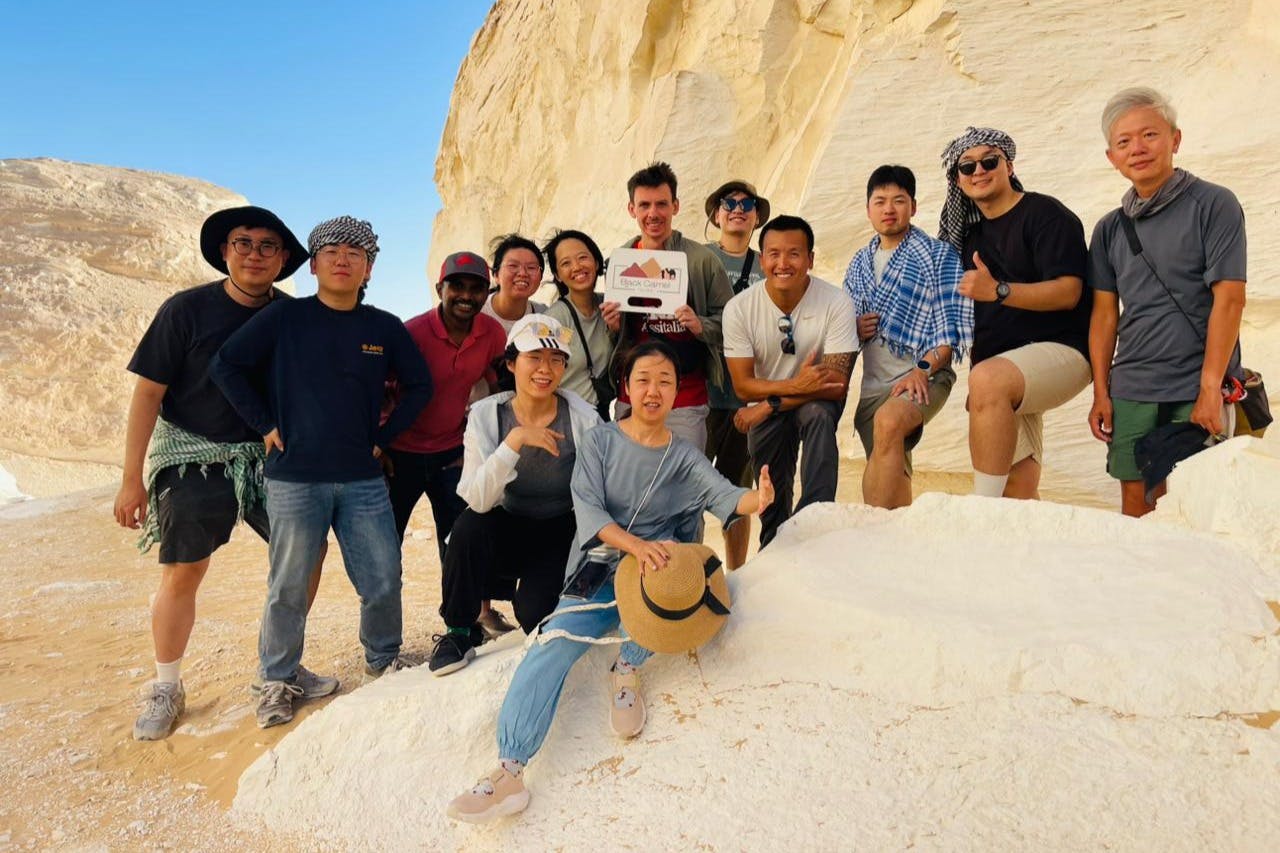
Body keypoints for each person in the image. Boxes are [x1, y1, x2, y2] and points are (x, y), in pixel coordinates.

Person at [445, 341, 774, 823]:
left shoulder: (683, 455)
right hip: (600, 566)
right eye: (643, 379)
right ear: (626, 387)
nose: (654, 390)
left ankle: (626, 667)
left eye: (665, 381)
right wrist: (634, 545)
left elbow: (722, 493)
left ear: (677, 392)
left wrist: (756, 500)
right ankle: (509, 771)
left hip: (653, 571)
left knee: (669, 591)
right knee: (551, 643)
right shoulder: (599, 441)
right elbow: (590, 510)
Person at [114, 206, 337, 741]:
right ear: (224, 251)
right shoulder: (185, 311)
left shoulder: (292, 317)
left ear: (283, 259)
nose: (255, 254)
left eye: (268, 246)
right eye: (244, 243)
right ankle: (166, 686)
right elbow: (148, 392)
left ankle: (278, 669)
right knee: (184, 570)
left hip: (271, 458)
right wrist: (131, 479)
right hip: (194, 456)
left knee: (307, 556)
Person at [210, 216, 433, 728]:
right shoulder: (285, 319)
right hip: (294, 477)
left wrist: (383, 438)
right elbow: (226, 365)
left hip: (362, 478)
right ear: (313, 265)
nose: (341, 259)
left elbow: (419, 387)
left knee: (382, 577)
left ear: (368, 268)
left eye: (354, 254)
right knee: (287, 585)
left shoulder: (382, 328)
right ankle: (276, 679)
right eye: (331, 251)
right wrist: (264, 422)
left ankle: (384, 660)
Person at [1086, 87, 1247, 516]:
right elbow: (1105, 315)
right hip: (1133, 387)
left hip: (1196, 384)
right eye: (1124, 142)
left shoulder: (1214, 204)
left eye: (1149, 135)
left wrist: (1210, 388)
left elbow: (1229, 300)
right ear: (1111, 158)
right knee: (1135, 508)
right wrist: (1102, 391)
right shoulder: (1108, 230)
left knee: (1191, 507)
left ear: (1175, 140)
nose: (1137, 149)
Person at [428, 315, 602, 675]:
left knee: (535, 615)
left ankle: (540, 600)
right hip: (507, 521)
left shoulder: (583, 418)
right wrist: (514, 441)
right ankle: (459, 631)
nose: (545, 369)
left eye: (556, 360)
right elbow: (478, 499)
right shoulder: (487, 416)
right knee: (467, 527)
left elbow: (598, 491)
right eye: (533, 357)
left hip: (559, 529)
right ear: (511, 363)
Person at [938, 127, 1092, 500]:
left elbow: (1069, 293)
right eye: (967, 166)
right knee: (1018, 487)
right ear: (957, 180)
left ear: (1009, 165)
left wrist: (998, 291)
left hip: (1065, 349)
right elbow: (977, 320)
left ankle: (982, 510)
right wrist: (980, 385)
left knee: (988, 381)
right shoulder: (969, 238)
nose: (979, 171)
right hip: (1004, 365)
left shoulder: (1045, 214)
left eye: (989, 161)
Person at [386, 251, 512, 637]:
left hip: (450, 455)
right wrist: (379, 443)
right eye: (457, 285)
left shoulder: (492, 333)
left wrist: (480, 441)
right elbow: (381, 389)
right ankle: (384, 642)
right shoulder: (411, 333)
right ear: (440, 288)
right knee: (386, 552)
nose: (466, 295)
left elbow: (495, 384)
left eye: (476, 288)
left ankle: (463, 624)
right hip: (399, 457)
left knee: (459, 543)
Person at [843, 165, 973, 509]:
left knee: (889, 423)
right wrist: (854, 328)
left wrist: (922, 369)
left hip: (924, 376)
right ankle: (894, 546)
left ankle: (868, 533)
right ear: (868, 208)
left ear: (913, 207)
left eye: (899, 200)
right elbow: (842, 327)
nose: (889, 209)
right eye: (880, 201)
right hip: (873, 386)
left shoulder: (938, 256)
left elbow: (950, 330)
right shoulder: (859, 263)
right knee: (892, 469)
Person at [723, 215, 855, 548]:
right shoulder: (739, 308)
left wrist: (772, 402)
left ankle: (815, 523)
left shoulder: (836, 302)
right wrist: (793, 387)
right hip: (772, 407)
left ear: (810, 259)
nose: (783, 263)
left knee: (820, 416)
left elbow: (837, 384)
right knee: (771, 496)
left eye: (794, 254)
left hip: (802, 403)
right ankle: (774, 550)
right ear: (762, 258)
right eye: (774, 254)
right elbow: (742, 385)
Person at [611, 162, 734, 452]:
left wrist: (700, 324)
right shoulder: (622, 260)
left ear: (675, 206)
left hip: (686, 397)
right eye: (644, 205)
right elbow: (615, 338)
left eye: (661, 204)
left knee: (685, 484)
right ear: (632, 209)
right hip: (632, 395)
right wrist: (613, 326)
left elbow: (732, 322)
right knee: (630, 480)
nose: (653, 214)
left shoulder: (701, 260)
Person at [702, 180, 770, 568]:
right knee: (685, 484)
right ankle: (685, 570)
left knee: (738, 490)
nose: (738, 209)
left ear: (757, 216)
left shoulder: (767, 264)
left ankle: (737, 570)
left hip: (746, 396)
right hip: (702, 392)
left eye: (747, 204)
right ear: (716, 214)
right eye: (729, 203)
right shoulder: (698, 259)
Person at [542, 230, 621, 421]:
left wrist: (617, 330)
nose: (577, 267)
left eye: (583, 258)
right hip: (565, 418)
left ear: (596, 262)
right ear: (558, 275)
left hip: (600, 415)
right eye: (566, 263)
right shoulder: (554, 320)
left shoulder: (611, 306)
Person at [481, 234, 547, 335]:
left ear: (541, 278)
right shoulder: (476, 312)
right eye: (513, 266)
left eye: (531, 267)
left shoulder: (544, 316)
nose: (523, 273)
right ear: (496, 274)